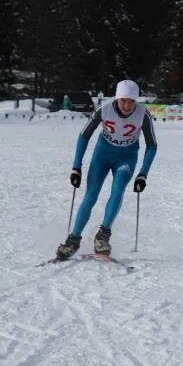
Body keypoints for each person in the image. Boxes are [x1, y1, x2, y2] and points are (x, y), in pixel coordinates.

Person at [55, 80, 157, 260]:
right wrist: (76, 167)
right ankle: (73, 240)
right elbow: (84, 135)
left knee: (117, 191)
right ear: (117, 98)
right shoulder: (104, 109)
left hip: (126, 158)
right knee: (90, 196)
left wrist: (143, 174)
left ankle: (103, 236)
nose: (127, 105)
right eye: (123, 100)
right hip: (102, 156)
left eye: (131, 101)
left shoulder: (143, 114)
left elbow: (152, 145)